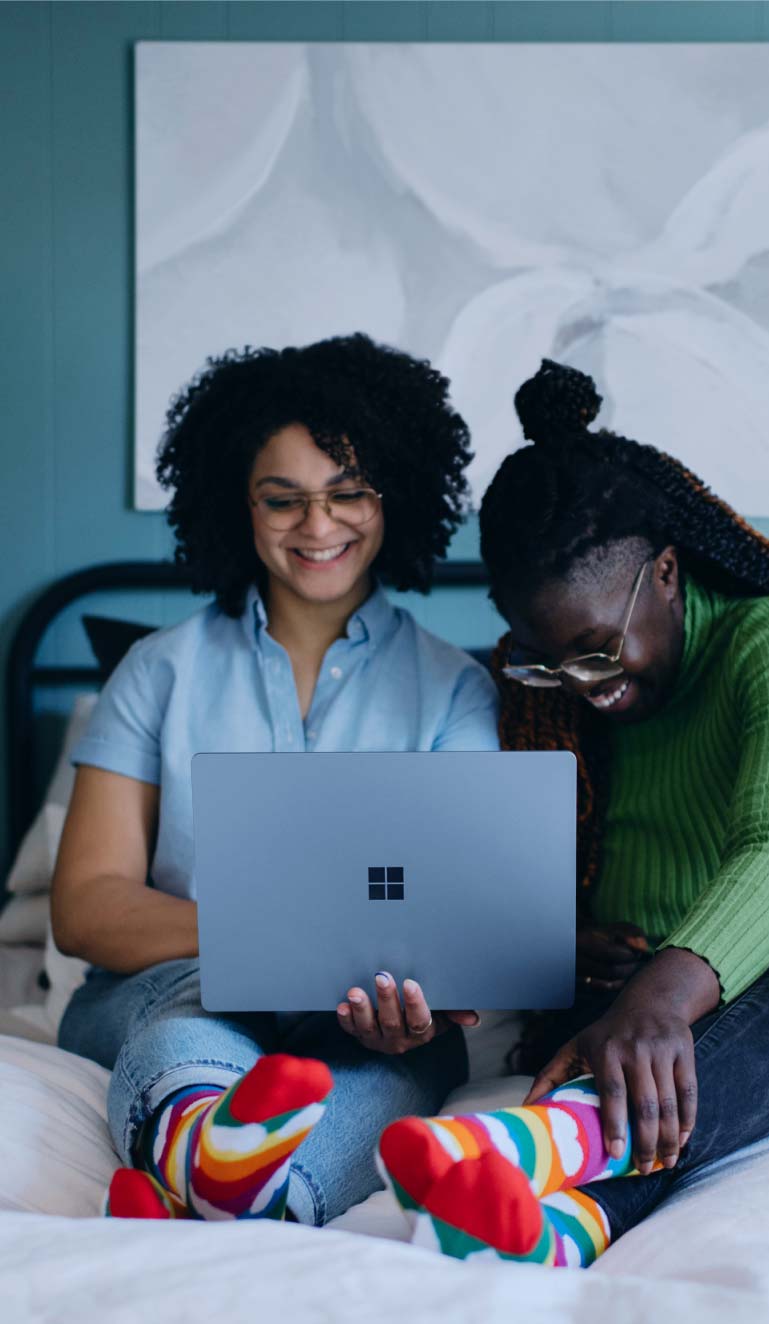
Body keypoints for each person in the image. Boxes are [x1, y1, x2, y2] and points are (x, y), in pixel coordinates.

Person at [375, 358, 769, 1268]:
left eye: (598, 653)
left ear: (667, 573)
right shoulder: (565, 700)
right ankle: (566, 1229)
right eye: (545, 661)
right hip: (686, 1029)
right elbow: (529, 877)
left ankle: (546, 1150)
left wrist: (660, 997)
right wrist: (569, 946)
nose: (580, 689)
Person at [52, 334, 498, 1225]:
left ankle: (226, 1187)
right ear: (238, 505)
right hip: (179, 981)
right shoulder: (157, 671)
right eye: (282, 499)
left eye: (348, 494)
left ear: (393, 497)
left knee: (402, 1062)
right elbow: (85, 908)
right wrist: (262, 946)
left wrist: (409, 999)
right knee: (189, 1011)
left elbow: (462, 920)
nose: (319, 526)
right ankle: (226, 1169)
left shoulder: (453, 688)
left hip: (363, 1014)